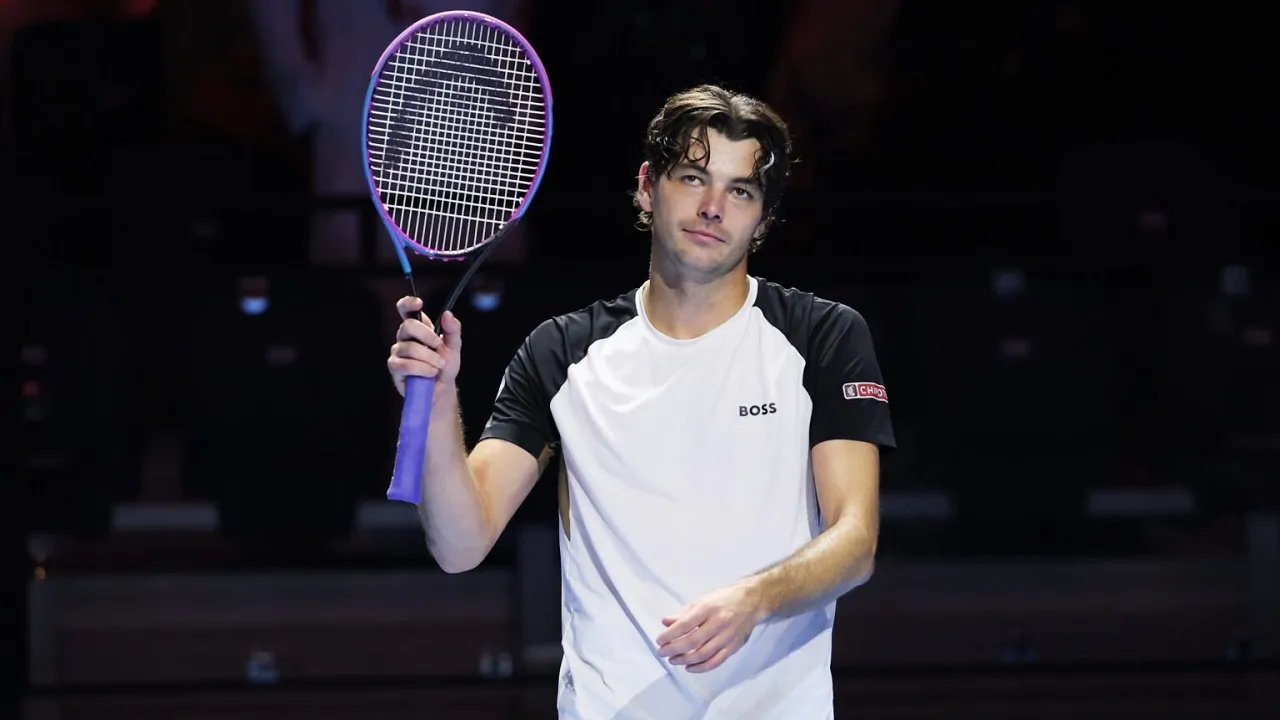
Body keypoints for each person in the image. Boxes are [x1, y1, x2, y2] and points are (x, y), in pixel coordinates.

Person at [386, 84, 896, 719]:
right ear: (648, 185)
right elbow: (460, 546)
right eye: (693, 177)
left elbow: (856, 541)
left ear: (762, 219)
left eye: (741, 191)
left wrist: (755, 598)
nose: (714, 207)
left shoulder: (822, 336)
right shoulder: (562, 352)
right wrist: (436, 404)